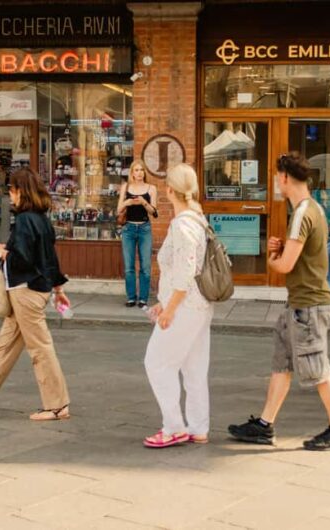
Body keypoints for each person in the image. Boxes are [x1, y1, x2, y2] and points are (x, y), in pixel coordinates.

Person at [229, 152, 330, 451]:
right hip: (300, 302)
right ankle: (264, 425)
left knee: (317, 367)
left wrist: (272, 258)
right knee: (282, 364)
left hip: (307, 304)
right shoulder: (314, 209)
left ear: (284, 177)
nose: (275, 181)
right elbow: (304, 253)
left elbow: (284, 266)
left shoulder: (300, 213)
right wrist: (284, 248)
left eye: (276, 176)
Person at [0, 167, 72, 421]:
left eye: (11, 189)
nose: (10, 195)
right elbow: (49, 259)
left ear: (20, 191)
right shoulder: (42, 219)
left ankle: (57, 405)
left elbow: (21, 259)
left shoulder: (24, 220)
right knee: (6, 345)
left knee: (40, 348)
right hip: (35, 289)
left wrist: (1, 251)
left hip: (25, 291)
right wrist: (58, 288)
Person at [142, 163, 213, 448]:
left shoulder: (183, 224)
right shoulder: (198, 219)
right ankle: (198, 427)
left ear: (169, 190)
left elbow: (185, 272)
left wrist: (169, 309)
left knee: (157, 362)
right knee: (194, 368)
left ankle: (173, 427)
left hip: (185, 306)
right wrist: (164, 302)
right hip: (199, 304)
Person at [116, 160, 157, 308]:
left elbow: (155, 213)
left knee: (145, 266)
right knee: (129, 266)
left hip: (145, 229)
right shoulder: (125, 187)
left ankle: (143, 298)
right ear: (132, 173)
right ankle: (131, 297)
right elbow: (118, 210)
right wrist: (127, 203)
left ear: (145, 173)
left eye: (142, 170)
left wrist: (144, 203)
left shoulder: (151, 188)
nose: (139, 173)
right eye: (136, 170)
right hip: (128, 229)